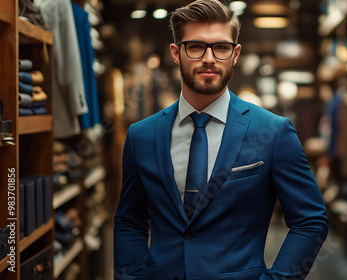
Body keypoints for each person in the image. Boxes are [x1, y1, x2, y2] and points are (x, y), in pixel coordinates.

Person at [113, 1, 329, 279]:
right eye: (195, 46)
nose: (209, 58)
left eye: (221, 47)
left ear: (235, 54)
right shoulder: (141, 135)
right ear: (176, 52)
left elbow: (310, 221)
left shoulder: (273, 132)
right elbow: (130, 221)